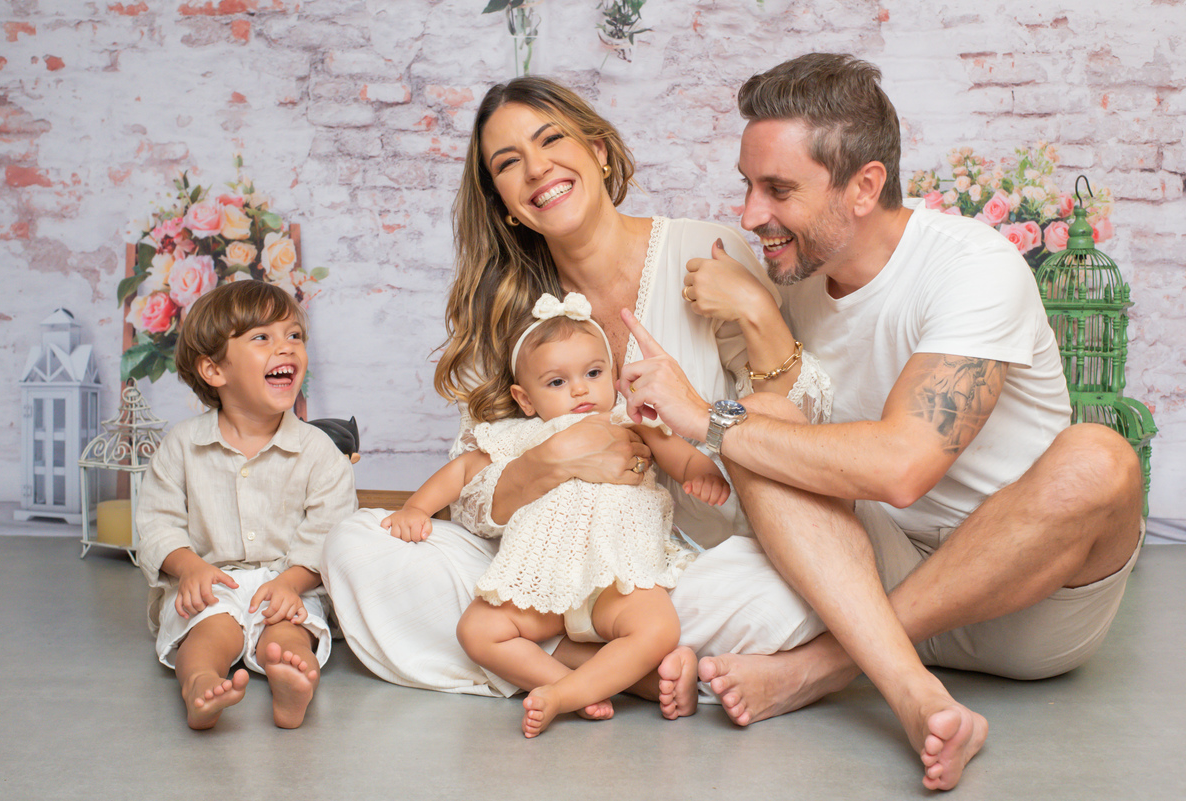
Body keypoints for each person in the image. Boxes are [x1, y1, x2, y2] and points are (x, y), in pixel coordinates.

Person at [618, 53, 1144, 791]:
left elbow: (902, 467)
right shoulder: (794, 279)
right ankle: (913, 689)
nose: (749, 215)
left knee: (1101, 457)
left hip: (1034, 598)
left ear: (864, 186)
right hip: (877, 570)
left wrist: (703, 418)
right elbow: (782, 451)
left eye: (778, 190)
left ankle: (822, 668)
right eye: (747, 185)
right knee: (764, 422)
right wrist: (756, 317)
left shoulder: (972, 265)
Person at [319, 76, 828, 721]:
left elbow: (802, 428)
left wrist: (756, 309)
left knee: (794, 585)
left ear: (599, 152)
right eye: (508, 163)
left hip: (679, 567)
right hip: (542, 567)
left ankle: (584, 660)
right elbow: (474, 498)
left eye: (550, 140)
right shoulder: (507, 309)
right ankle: (615, 670)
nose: (537, 169)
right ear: (504, 202)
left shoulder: (703, 251)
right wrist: (552, 461)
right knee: (356, 544)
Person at [384, 292, 730, 736]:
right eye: (557, 382)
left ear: (613, 374)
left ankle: (568, 695)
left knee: (658, 628)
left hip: (617, 576)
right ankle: (572, 687)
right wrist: (417, 507)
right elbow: (463, 471)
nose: (580, 389)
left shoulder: (630, 420)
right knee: (477, 631)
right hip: (543, 578)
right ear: (525, 399)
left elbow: (680, 456)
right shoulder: (525, 434)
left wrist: (702, 473)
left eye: (593, 373)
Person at [136, 281, 356, 730]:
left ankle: (291, 677)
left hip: (288, 581)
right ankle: (200, 683)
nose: (286, 347)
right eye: (262, 337)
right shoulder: (182, 445)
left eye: (294, 335)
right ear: (214, 369)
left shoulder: (318, 451)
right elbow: (157, 524)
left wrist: (292, 582)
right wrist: (189, 568)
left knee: (288, 631)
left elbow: (330, 531)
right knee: (208, 630)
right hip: (211, 582)